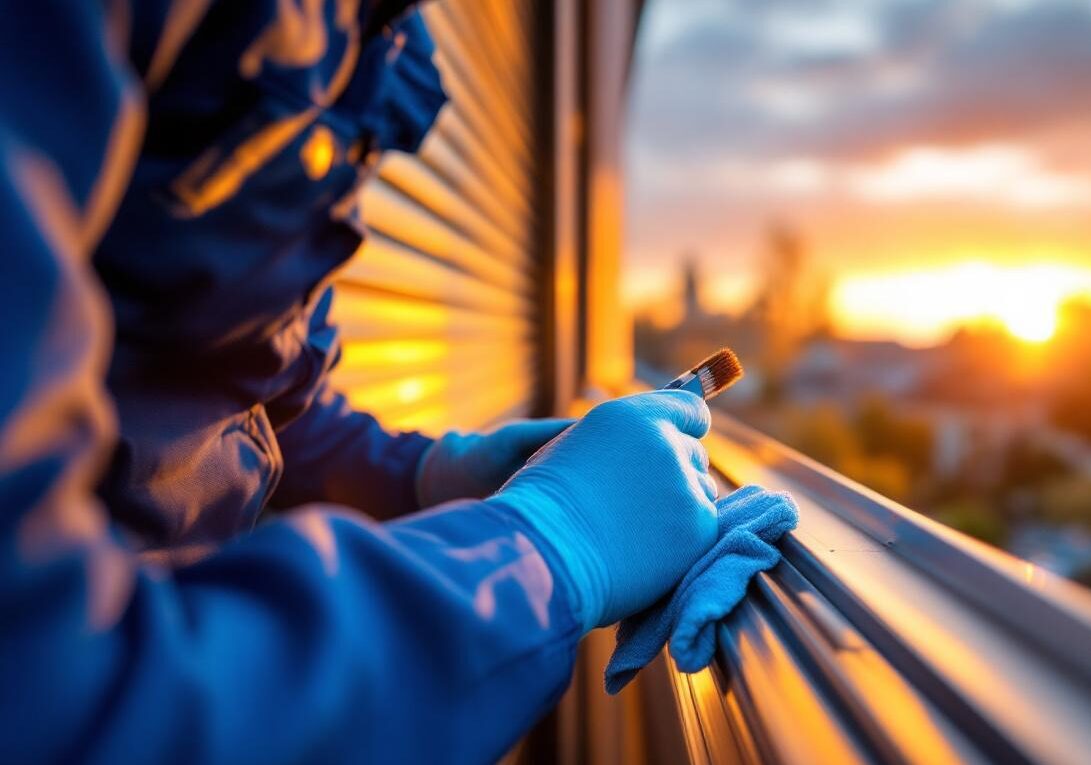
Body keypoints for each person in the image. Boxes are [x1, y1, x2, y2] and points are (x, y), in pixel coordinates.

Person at [0, 1, 737, 762]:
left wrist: (421, 476)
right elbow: (44, 698)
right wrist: (549, 552)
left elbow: (259, 396)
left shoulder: (362, 36)